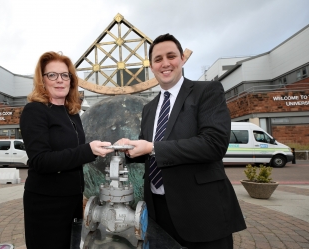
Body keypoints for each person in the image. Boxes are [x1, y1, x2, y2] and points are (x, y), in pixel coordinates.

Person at [117, 34, 246, 248]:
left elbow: (214, 144)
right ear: (151, 65)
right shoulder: (149, 108)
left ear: (182, 59)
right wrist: (128, 148)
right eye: (158, 59)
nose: (165, 63)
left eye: (171, 56)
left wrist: (152, 147)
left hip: (202, 212)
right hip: (158, 212)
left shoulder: (207, 92)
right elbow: (150, 149)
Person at [20, 51, 113, 249]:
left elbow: (72, 154)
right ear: (42, 80)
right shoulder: (35, 111)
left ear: (71, 79)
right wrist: (88, 151)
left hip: (72, 201)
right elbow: (41, 161)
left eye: (65, 75)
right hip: (46, 204)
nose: (60, 80)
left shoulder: (72, 113)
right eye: (52, 75)